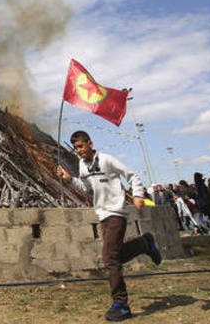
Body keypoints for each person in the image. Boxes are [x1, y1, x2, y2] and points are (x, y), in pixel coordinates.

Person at [56, 130, 161, 322]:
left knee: (109, 259)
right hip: (102, 214)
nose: (79, 151)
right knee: (115, 256)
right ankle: (144, 244)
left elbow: (132, 175)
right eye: (76, 147)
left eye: (81, 146)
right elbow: (87, 189)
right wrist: (69, 179)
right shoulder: (82, 165)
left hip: (116, 213)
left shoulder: (107, 160)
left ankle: (121, 304)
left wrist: (138, 194)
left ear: (90, 143)